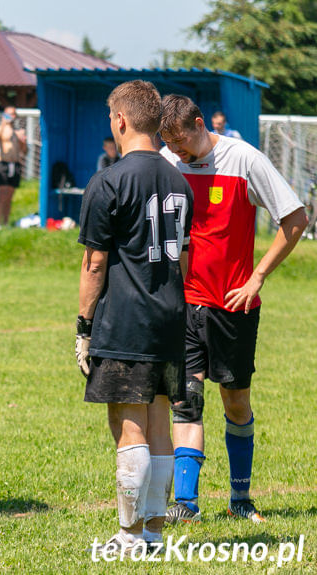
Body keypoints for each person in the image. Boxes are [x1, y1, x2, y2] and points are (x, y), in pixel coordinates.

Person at [159, 95, 307, 524]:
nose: (176, 151)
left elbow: (295, 218)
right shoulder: (172, 164)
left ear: (200, 124)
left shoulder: (242, 160)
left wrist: (257, 277)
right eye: (168, 143)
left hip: (233, 306)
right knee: (186, 398)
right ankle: (185, 505)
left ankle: (240, 499)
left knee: (235, 401)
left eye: (180, 141)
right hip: (185, 304)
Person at [77, 80, 193, 552]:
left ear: (120, 120)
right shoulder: (180, 180)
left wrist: (84, 327)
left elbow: (95, 263)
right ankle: (154, 534)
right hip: (171, 318)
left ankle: (128, 536)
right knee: (160, 424)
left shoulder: (108, 180)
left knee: (129, 427)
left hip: (126, 321)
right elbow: (183, 256)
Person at [0, 106, 27, 229]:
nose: (10, 117)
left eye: (12, 115)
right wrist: (3, 123)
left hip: (15, 164)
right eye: (8, 114)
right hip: (3, 163)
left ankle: (6, 222)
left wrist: (23, 141)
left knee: (10, 196)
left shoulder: (19, 131)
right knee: (2, 194)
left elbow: (24, 151)